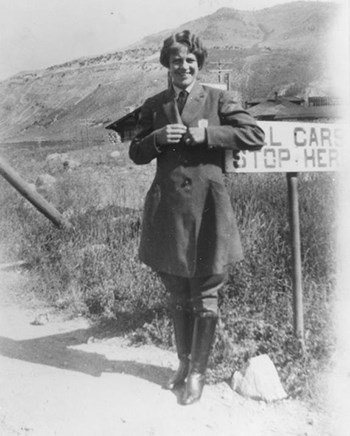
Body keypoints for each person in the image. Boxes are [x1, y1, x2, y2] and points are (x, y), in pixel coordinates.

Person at [129, 30, 265, 405]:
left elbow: (253, 134)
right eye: (176, 60)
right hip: (168, 210)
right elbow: (136, 152)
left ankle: (198, 375)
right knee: (176, 293)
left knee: (205, 294)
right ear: (167, 65)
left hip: (208, 209)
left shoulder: (220, 98)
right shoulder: (155, 104)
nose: (183, 66)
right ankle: (183, 363)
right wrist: (157, 137)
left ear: (199, 64)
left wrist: (208, 136)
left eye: (190, 60)